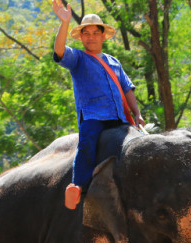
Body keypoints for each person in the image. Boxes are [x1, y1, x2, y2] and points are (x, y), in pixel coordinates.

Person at [52, 0, 145, 210]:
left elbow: (128, 89)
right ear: (81, 37)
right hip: (93, 116)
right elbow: (59, 51)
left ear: (103, 36)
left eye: (96, 33)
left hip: (119, 117)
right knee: (86, 145)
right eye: (87, 33)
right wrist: (64, 22)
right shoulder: (78, 58)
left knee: (137, 146)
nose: (91, 37)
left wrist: (137, 114)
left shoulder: (114, 62)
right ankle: (79, 188)